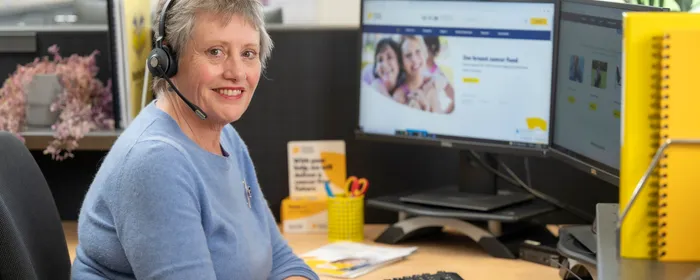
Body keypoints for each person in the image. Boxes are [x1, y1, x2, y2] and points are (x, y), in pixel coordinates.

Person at [70, 0, 319, 279]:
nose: (237, 72)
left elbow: (281, 260)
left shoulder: (225, 136)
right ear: (167, 59)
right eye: (216, 52)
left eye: (249, 53)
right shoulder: (155, 162)